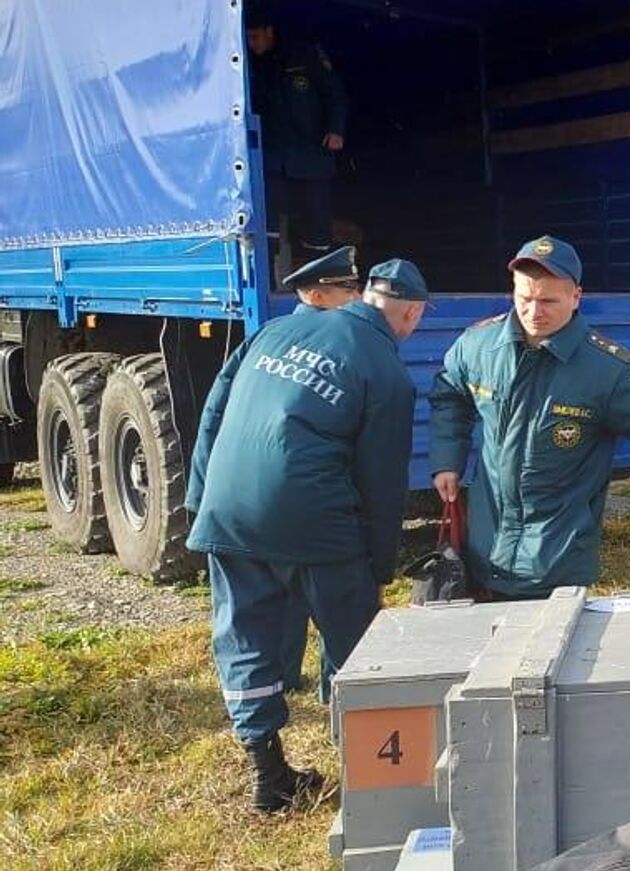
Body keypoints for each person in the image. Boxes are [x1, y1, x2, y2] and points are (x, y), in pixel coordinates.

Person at [186, 261, 427, 812]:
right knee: (355, 643)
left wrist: (201, 500)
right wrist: (379, 567)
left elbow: (214, 414)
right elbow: (381, 481)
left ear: (363, 296)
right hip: (314, 523)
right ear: (411, 314)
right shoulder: (386, 373)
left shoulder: (274, 330)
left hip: (228, 511)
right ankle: (371, 777)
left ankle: (268, 777)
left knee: (244, 635)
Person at [428, 236, 630, 600]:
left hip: (555, 566)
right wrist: (447, 458)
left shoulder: (607, 371)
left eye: (548, 301)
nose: (534, 311)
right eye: (525, 298)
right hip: (483, 551)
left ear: (576, 298)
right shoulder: (479, 346)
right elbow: (450, 393)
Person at [278, 244, 363, 696]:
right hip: (296, 492)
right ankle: (297, 680)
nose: (357, 296)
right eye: (346, 288)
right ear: (315, 295)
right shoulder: (282, 340)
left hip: (306, 491)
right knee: (314, 595)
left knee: (311, 592)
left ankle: (314, 684)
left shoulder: (339, 341)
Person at [246, 4, 349, 262]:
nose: (251, 43)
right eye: (247, 38)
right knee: (265, 223)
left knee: (316, 223)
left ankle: (319, 282)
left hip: (310, 152)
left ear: (269, 32)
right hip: (271, 159)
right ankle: (267, 279)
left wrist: (336, 129)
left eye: (255, 36)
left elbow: (334, 94)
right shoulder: (248, 66)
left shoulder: (304, 55)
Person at [284, 245, 360, 313]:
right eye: (348, 291)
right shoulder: (338, 327)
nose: (359, 297)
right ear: (317, 297)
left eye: (358, 290)